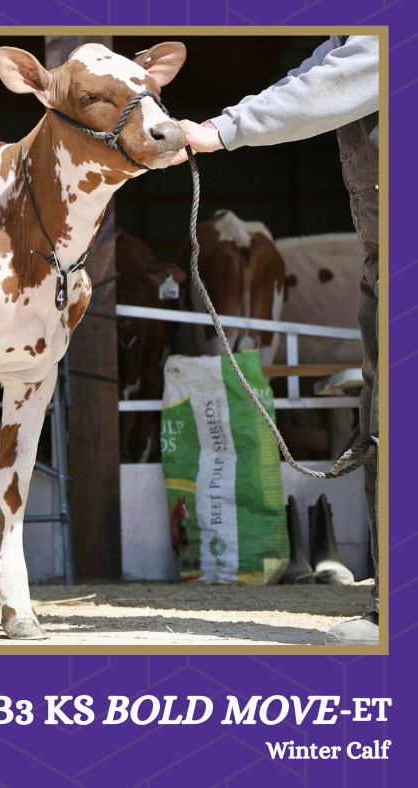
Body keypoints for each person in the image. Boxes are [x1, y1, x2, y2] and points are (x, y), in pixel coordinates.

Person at [170, 36, 380, 645]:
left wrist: (222, 130)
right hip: (381, 256)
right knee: (378, 422)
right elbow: (317, 70)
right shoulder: (348, 36)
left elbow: (330, 83)